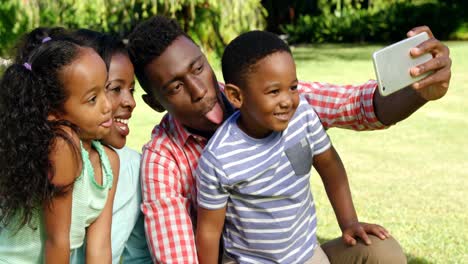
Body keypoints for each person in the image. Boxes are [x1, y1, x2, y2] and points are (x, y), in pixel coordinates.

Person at [126, 15, 451, 263]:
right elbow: (184, 254)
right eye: (175, 87)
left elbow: (360, 106)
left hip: (301, 253)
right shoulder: (163, 160)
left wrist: (420, 89)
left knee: (381, 251)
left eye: (198, 68)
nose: (199, 90)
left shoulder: (275, 98)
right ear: (156, 103)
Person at [195, 30, 402, 264]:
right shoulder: (220, 158)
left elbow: (330, 165)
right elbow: (209, 232)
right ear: (235, 96)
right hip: (252, 261)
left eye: (292, 87)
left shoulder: (302, 115)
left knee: (385, 252)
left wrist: (349, 222)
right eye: (274, 91)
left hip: (306, 254)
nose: (287, 100)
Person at [0, 28, 119, 263]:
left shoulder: (108, 163)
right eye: (92, 99)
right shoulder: (63, 146)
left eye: (106, 87)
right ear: (54, 112)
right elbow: (57, 241)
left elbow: (100, 247)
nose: (108, 105)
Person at [70, 29, 152, 264]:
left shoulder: (132, 168)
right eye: (115, 89)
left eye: (131, 90)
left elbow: (139, 257)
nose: (131, 102)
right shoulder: (36, 159)